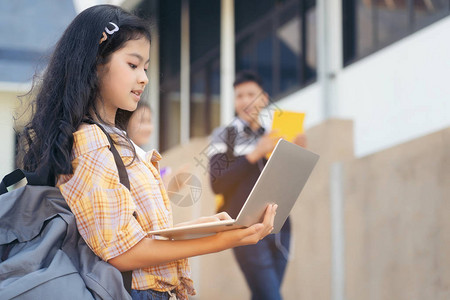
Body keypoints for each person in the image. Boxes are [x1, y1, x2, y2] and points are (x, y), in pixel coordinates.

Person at [18, 5, 277, 300]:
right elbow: (123, 252)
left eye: (146, 67)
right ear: (94, 63)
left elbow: (142, 236)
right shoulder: (90, 142)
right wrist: (224, 240)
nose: (144, 78)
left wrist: (214, 227)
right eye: (133, 65)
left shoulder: (115, 139)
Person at [208, 70, 307, 300]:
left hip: (280, 228)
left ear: (264, 99)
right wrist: (255, 154)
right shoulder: (225, 135)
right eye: (239, 95)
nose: (245, 101)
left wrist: (296, 154)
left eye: (251, 94)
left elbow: (287, 183)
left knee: (263, 296)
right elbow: (216, 183)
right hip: (245, 228)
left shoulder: (274, 135)